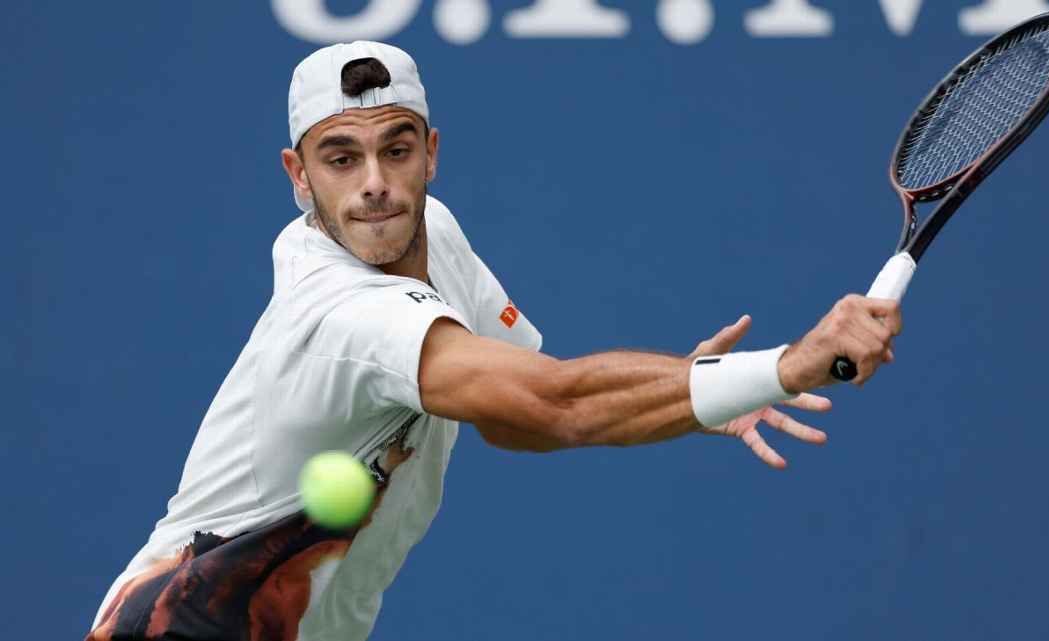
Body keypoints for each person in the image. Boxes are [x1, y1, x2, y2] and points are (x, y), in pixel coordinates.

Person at [87, 41, 901, 641]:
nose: (374, 181)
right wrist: (787, 364)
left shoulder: (433, 232)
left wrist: (693, 391)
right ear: (299, 178)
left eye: (395, 149)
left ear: (430, 154)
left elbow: (512, 411)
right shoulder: (340, 313)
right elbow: (557, 404)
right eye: (341, 158)